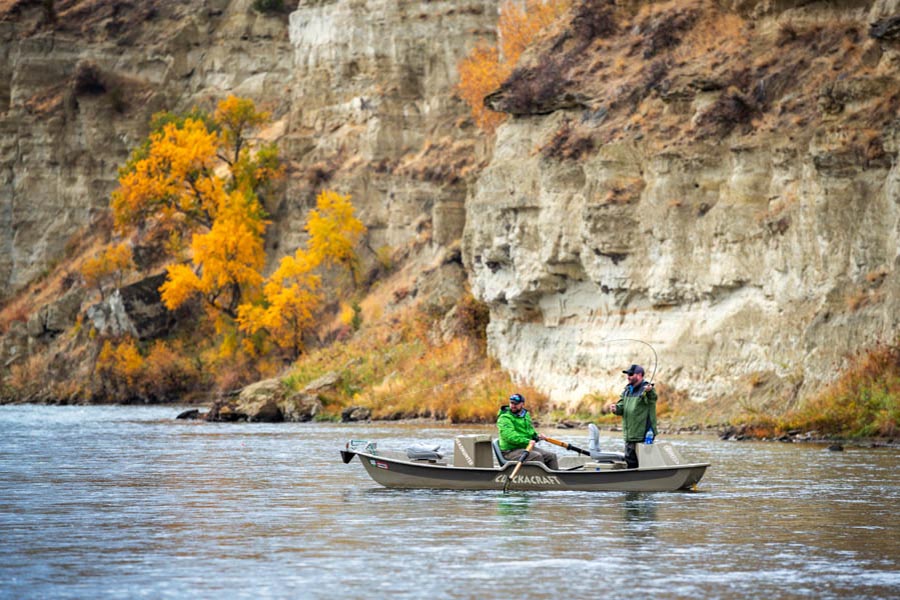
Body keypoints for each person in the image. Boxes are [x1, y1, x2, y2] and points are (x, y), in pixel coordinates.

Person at [605, 364, 657, 469]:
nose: (628, 376)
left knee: (645, 464)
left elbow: (653, 398)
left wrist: (649, 391)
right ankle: (633, 483)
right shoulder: (627, 390)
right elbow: (621, 407)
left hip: (644, 436)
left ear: (640, 375)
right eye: (627, 374)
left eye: (631, 374)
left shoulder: (647, 389)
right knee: (631, 463)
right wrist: (616, 409)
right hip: (629, 435)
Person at [496, 393, 559, 470]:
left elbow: (530, 431)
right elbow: (510, 436)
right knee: (536, 456)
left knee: (551, 456)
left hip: (525, 447)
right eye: (511, 403)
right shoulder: (504, 418)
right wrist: (527, 441)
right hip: (509, 451)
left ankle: (555, 478)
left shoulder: (525, 415)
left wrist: (536, 436)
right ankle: (539, 479)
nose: (513, 405)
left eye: (516, 404)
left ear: (522, 404)